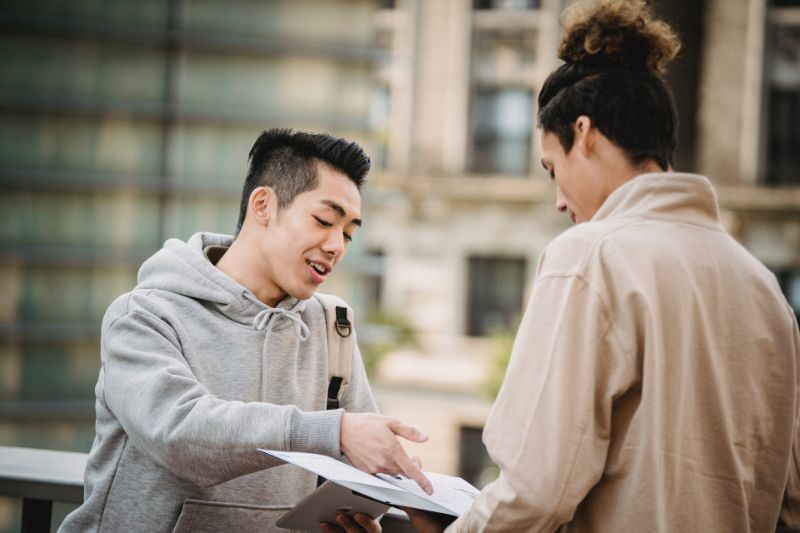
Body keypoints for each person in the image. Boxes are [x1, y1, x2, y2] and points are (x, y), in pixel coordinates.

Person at [337, 1, 800, 531]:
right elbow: (791, 502)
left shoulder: (589, 255)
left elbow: (535, 490)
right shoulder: (764, 288)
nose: (559, 200)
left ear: (584, 132)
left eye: (552, 168)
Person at [60, 128, 432, 533]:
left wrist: (354, 515)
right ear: (263, 205)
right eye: (324, 221)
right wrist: (332, 430)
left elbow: (353, 461)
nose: (336, 246)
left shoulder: (332, 327)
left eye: (347, 234)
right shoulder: (144, 315)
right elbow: (177, 436)